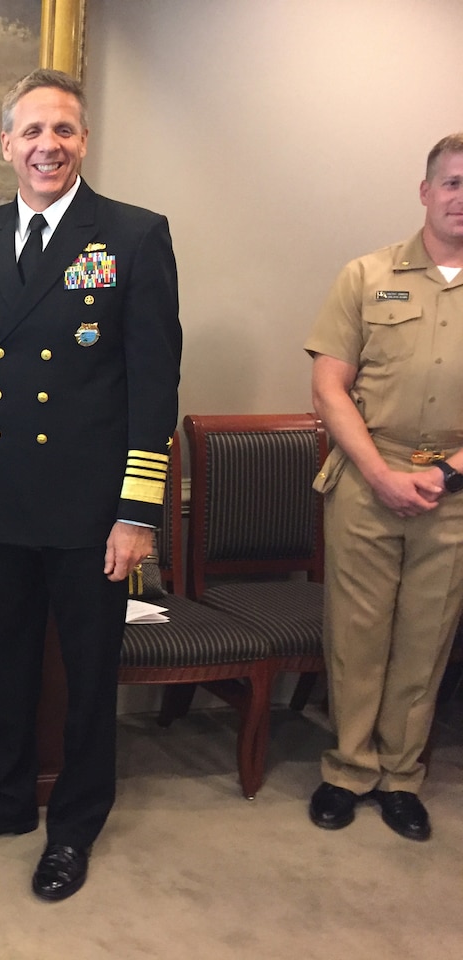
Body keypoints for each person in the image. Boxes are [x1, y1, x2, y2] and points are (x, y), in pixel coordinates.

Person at [0, 68, 181, 902]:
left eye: (64, 130)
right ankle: (3, 802)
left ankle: (74, 824)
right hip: (0, 498)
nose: (48, 146)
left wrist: (137, 513)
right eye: (32, 131)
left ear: (84, 141)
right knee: (2, 663)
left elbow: (154, 387)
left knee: (84, 674)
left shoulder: (134, 236)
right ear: (7, 144)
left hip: (90, 511)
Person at [304, 132, 463, 843]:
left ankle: (402, 778)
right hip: (368, 482)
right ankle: (347, 771)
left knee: (425, 639)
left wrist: (444, 475)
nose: (462, 198)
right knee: (357, 634)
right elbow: (328, 386)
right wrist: (379, 472)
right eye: (453, 183)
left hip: (453, 492)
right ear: (426, 192)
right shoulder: (366, 275)